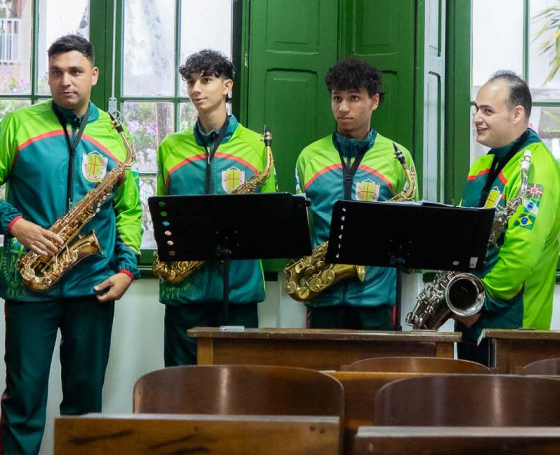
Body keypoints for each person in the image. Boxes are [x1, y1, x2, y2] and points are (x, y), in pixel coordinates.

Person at [0, 35, 142, 455]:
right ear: (48, 76)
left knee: (85, 396)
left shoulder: (114, 135)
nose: (66, 80)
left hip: (94, 284)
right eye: (57, 72)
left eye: (76, 71)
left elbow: (128, 211)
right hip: (29, 283)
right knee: (24, 393)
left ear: (94, 75)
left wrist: (128, 270)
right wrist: (16, 225)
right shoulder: (19, 124)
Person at [156, 49, 277, 366]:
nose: (196, 89)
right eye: (191, 82)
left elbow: (271, 219)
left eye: (206, 80)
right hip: (184, 292)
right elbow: (162, 216)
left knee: (239, 393)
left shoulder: (256, 146)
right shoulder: (170, 147)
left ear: (227, 86)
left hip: (238, 292)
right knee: (180, 391)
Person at [295, 58, 417, 330]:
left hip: (376, 298)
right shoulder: (309, 156)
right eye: (336, 98)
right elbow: (302, 226)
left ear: (374, 101)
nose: (343, 108)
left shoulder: (399, 158)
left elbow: (408, 230)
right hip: (322, 294)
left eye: (354, 98)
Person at [453, 71, 560, 365]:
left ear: (517, 114)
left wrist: (479, 302)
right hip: (471, 312)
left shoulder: (538, 168)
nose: (477, 117)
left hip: (510, 321)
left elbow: (522, 253)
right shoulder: (483, 163)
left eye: (488, 111)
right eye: (477, 109)